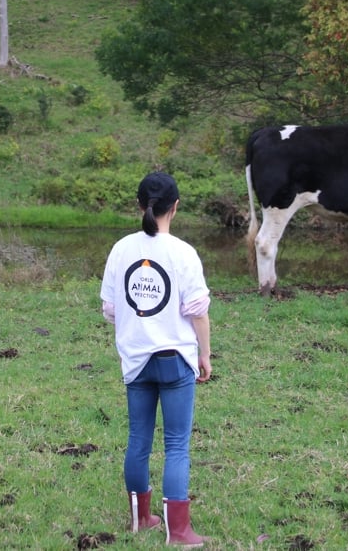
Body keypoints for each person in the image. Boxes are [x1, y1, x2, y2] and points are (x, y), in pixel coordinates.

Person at [100, 171, 212, 547]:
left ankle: (140, 520)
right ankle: (178, 532)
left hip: (136, 361)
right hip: (176, 360)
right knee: (177, 444)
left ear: (139, 206)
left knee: (138, 439)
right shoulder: (183, 253)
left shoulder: (120, 249)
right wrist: (205, 355)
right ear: (175, 207)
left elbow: (111, 310)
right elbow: (197, 311)